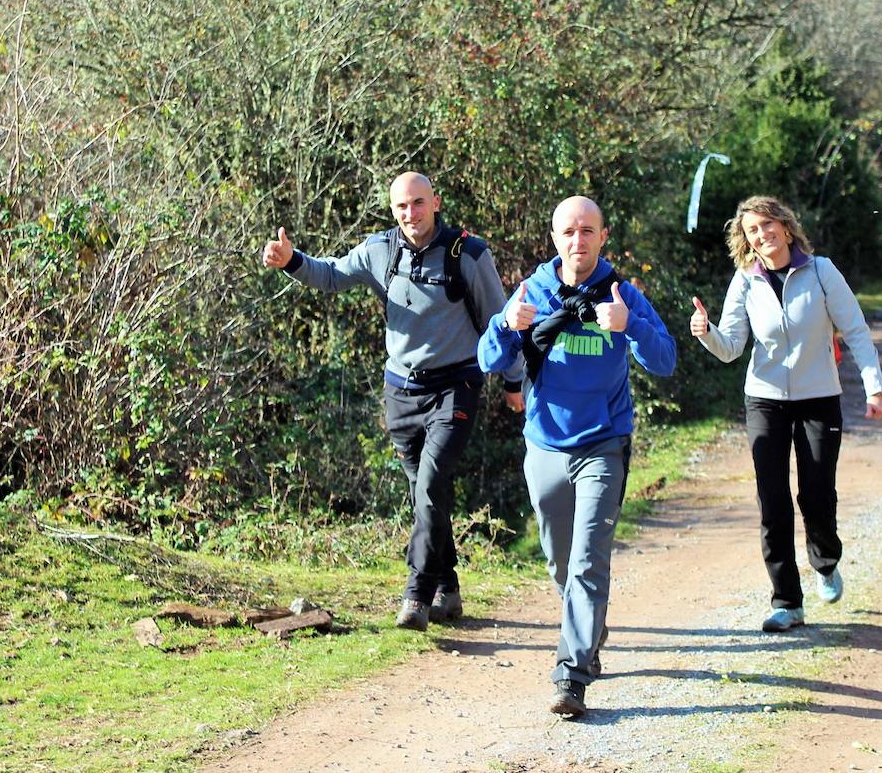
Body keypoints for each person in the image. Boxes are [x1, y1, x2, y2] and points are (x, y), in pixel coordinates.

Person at [262, 172, 525, 631]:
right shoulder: (380, 249)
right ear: (392, 210)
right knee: (425, 494)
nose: (411, 214)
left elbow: (498, 322)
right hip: (401, 392)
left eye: (419, 203)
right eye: (402, 206)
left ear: (436, 203)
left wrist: (513, 381)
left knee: (430, 486)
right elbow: (331, 275)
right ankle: (449, 588)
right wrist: (291, 261)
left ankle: (417, 595)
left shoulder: (469, 254)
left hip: (455, 386)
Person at [478, 195, 676, 718]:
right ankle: (589, 625)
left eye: (588, 231)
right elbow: (488, 360)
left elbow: (665, 359)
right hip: (544, 444)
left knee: (589, 560)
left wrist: (629, 323)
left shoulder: (622, 293)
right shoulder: (533, 291)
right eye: (569, 231)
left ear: (603, 237)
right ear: (555, 237)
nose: (578, 240)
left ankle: (572, 673)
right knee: (560, 559)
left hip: (604, 443)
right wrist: (505, 323)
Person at [690, 196, 882, 633]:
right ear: (746, 240)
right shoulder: (745, 281)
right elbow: (730, 349)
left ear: (784, 225)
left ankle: (825, 562)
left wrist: (875, 386)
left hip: (819, 396)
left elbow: (855, 330)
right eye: (752, 231)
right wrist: (706, 333)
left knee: (817, 491)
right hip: (764, 399)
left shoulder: (822, 272)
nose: (762, 235)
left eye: (767, 224)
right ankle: (786, 601)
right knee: (773, 500)